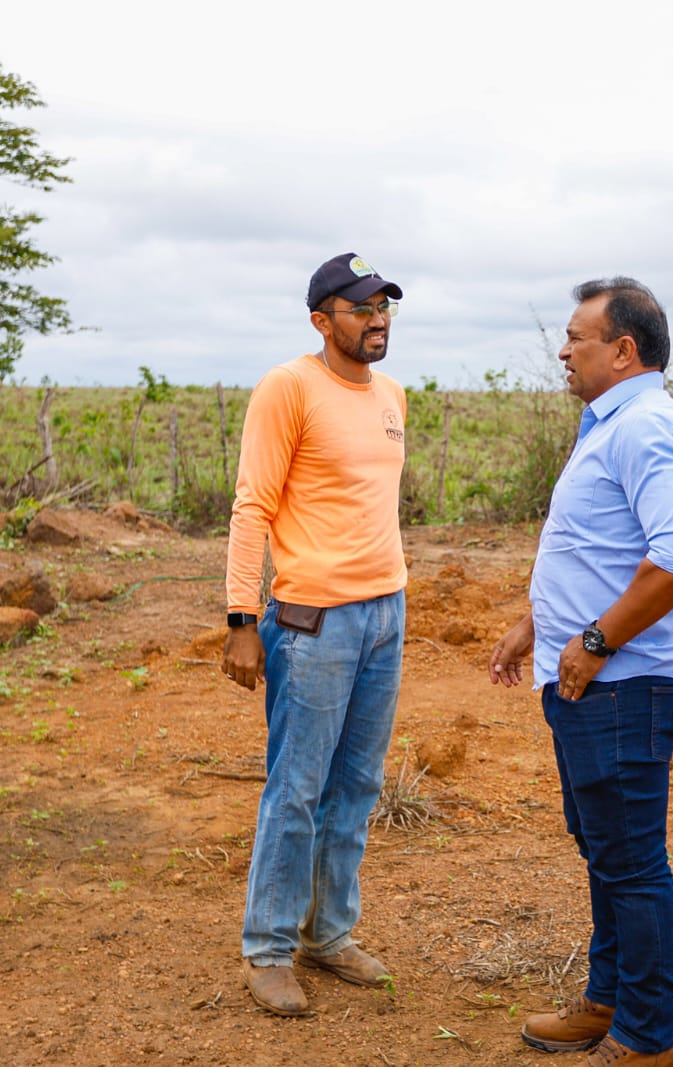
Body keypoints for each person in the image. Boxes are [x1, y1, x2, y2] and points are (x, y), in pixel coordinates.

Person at [489, 278, 673, 1067]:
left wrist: (592, 639)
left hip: (625, 685)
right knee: (606, 848)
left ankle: (649, 1037)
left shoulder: (647, 426)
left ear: (623, 350)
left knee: (630, 857)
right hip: (596, 679)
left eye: (576, 338)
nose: (562, 350)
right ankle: (608, 997)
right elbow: (599, 549)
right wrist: (537, 625)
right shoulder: (613, 423)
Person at [222, 252, 408, 1017]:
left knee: (357, 786)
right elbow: (252, 506)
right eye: (361, 307)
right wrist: (240, 619)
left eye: (384, 306)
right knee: (296, 790)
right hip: (312, 622)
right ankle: (268, 948)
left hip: (386, 616)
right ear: (320, 319)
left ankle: (329, 933)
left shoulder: (393, 394)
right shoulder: (288, 387)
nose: (378, 318)